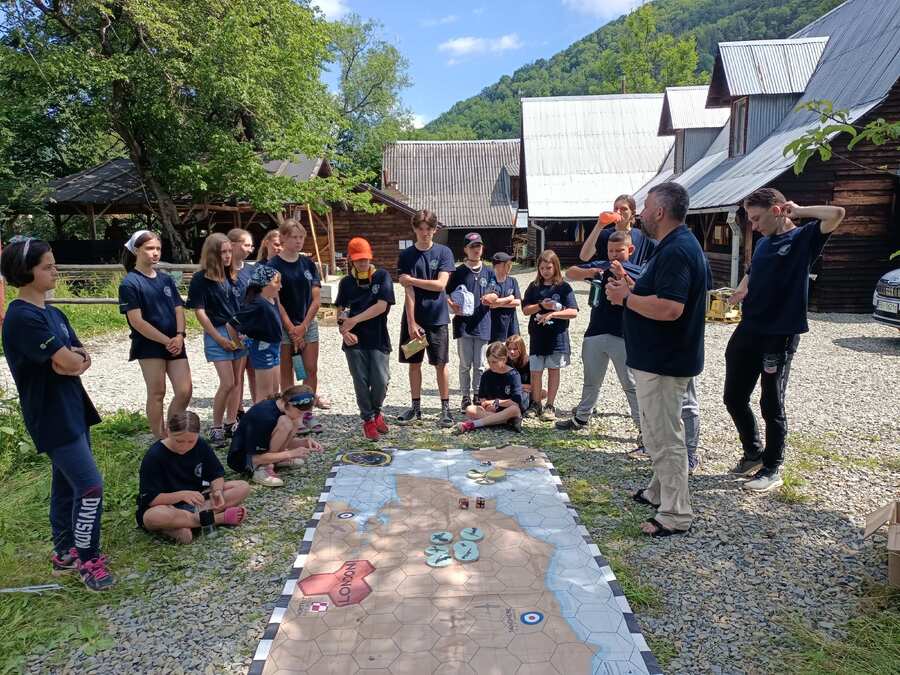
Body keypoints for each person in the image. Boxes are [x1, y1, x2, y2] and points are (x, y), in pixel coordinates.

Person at [1, 237, 113, 590]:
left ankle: (65, 552)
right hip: (50, 414)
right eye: (47, 266)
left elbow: (80, 358)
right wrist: (69, 361)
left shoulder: (54, 313)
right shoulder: (22, 317)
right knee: (90, 486)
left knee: (67, 483)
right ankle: (88, 558)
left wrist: (70, 361)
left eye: (54, 264)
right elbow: (69, 360)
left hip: (73, 407)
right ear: (26, 271)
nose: (55, 271)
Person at [606, 182, 710, 537]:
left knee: (664, 437)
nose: (641, 214)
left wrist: (625, 298)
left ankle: (676, 514)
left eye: (647, 207)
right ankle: (658, 491)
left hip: (664, 361)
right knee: (656, 431)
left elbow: (670, 308)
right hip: (660, 358)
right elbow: (660, 293)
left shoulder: (677, 250)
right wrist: (629, 286)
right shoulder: (674, 245)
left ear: (661, 212)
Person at [724, 189, 845, 492]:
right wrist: (741, 289)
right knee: (733, 396)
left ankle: (771, 468)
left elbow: (837, 214)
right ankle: (753, 452)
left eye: (756, 219)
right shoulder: (764, 243)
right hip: (750, 327)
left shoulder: (804, 238)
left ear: (777, 211)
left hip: (780, 333)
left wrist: (799, 210)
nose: (753, 226)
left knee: (771, 402)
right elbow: (753, 271)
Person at [558, 231, 642, 436]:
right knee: (591, 380)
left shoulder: (638, 270)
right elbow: (570, 273)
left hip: (623, 335)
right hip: (595, 331)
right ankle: (582, 417)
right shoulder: (602, 265)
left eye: (619, 250)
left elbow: (643, 291)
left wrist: (623, 274)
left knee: (630, 385)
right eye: (611, 250)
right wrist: (592, 271)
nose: (614, 255)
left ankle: (644, 429)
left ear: (630, 250)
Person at [118, 230, 192, 439]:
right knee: (157, 392)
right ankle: (161, 437)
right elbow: (137, 321)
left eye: (158, 248)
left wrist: (180, 335)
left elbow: (178, 308)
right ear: (136, 251)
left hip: (175, 341)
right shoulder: (130, 283)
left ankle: (174, 431)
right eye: (150, 248)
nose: (155, 253)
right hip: (149, 345)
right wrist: (166, 340)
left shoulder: (166, 279)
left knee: (184, 390)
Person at [137, 411, 249, 544]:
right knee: (155, 518)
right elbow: (151, 499)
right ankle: (218, 519)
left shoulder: (200, 445)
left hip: (198, 503)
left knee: (242, 487)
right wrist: (182, 495)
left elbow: (216, 474)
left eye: (191, 441)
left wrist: (217, 491)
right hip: (169, 507)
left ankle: (189, 522)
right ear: (168, 431)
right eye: (179, 441)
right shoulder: (154, 456)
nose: (185, 446)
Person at [396, 210, 456, 428]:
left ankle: (445, 409)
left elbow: (441, 285)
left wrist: (412, 280)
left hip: (437, 319)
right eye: (420, 229)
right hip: (414, 320)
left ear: (435, 229)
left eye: (429, 229)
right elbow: (408, 292)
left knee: (440, 363)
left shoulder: (444, 252)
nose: (424, 233)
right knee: (414, 364)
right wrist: (412, 323)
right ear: (414, 229)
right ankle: (415, 407)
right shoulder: (406, 255)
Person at [267, 220, 328, 430]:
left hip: (307, 323)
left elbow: (316, 298)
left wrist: (303, 326)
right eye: (294, 237)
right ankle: (291, 414)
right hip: (283, 325)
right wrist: (291, 328)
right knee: (287, 372)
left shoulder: (308, 264)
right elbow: (275, 299)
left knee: (310, 369)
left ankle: (307, 412)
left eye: (301, 237)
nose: (298, 241)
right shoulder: (273, 266)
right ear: (283, 238)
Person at [186, 233, 247, 446]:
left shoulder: (234, 276)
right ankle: (216, 426)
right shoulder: (200, 279)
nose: (228, 256)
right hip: (217, 331)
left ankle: (231, 422)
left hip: (238, 331)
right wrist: (218, 338)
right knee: (227, 382)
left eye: (230, 251)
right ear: (213, 254)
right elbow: (199, 312)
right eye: (223, 252)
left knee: (237, 381)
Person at [335, 237, 395, 441]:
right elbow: (341, 310)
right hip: (354, 341)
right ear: (351, 260)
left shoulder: (381, 276)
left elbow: (381, 306)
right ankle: (368, 419)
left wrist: (354, 320)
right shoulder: (346, 282)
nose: (362, 262)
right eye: (358, 259)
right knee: (360, 381)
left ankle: (377, 412)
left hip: (378, 337)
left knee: (381, 380)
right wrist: (344, 330)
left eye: (365, 258)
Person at [227, 386, 324, 487]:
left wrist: (304, 442)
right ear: (290, 404)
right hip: (244, 460)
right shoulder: (265, 416)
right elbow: (255, 457)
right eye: (300, 412)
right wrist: (290, 454)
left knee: (291, 422)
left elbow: (272, 439)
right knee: (286, 422)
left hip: (260, 453)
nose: (301, 417)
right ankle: (261, 468)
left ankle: (274, 461)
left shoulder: (280, 407)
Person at [521, 250, 578, 421]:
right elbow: (525, 310)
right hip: (537, 337)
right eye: (542, 268)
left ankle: (550, 405)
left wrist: (553, 314)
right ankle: (536, 403)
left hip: (556, 338)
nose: (545, 271)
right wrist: (541, 306)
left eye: (549, 268)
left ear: (556, 267)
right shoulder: (533, 287)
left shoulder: (563, 287)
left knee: (554, 371)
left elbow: (573, 312)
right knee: (536, 371)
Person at [447, 232, 494, 410]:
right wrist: (451, 304)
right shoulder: (458, 272)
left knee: (480, 364)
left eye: (478, 246)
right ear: (465, 249)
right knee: (465, 364)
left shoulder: (489, 271)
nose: (476, 250)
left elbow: (496, 290)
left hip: (483, 322)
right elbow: (445, 292)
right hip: (464, 325)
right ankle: (465, 396)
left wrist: (493, 297)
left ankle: (478, 395)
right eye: (472, 246)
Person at [236, 265, 283, 402]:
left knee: (274, 391)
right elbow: (232, 324)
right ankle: (259, 415)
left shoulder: (271, 299)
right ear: (265, 283)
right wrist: (238, 343)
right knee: (264, 394)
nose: (280, 286)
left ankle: (271, 414)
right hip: (262, 348)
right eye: (277, 282)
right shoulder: (256, 303)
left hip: (274, 347)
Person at [454, 342, 524, 435]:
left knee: (514, 409)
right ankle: (506, 421)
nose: (491, 365)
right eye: (489, 362)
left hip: (508, 410)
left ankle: (473, 424)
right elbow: (482, 397)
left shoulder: (513, 375)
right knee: (469, 409)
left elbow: (516, 402)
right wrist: (486, 405)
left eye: (494, 362)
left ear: (504, 359)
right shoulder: (486, 375)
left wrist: (495, 402)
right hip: (492, 411)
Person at [579, 195, 655, 266]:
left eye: (623, 209)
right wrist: (599, 225)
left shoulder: (642, 236)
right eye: (616, 208)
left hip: (633, 275)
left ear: (633, 213)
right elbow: (584, 257)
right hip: (608, 275)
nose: (618, 212)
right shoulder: (603, 234)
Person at [227, 228, 255, 419]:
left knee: (254, 370)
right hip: (230, 327)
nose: (250, 249)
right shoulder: (222, 271)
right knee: (236, 374)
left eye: (251, 246)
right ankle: (236, 410)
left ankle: (258, 406)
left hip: (252, 327)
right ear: (233, 244)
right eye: (246, 245)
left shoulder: (251, 271)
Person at [484, 251, 521, 342]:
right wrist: (509, 298)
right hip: (495, 325)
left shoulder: (513, 281)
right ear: (497, 266)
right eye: (506, 264)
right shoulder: (490, 282)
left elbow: (517, 302)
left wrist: (498, 303)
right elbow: (490, 303)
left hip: (511, 324)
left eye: (510, 263)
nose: (509, 266)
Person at [505, 334, 543, 411]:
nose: (512, 352)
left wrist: (517, 386)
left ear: (521, 349)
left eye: (515, 349)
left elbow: (534, 386)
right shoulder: (505, 362)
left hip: (523, 392)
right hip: (509, 392)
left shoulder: (529, 363)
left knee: (542, 393)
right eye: (509, 349)